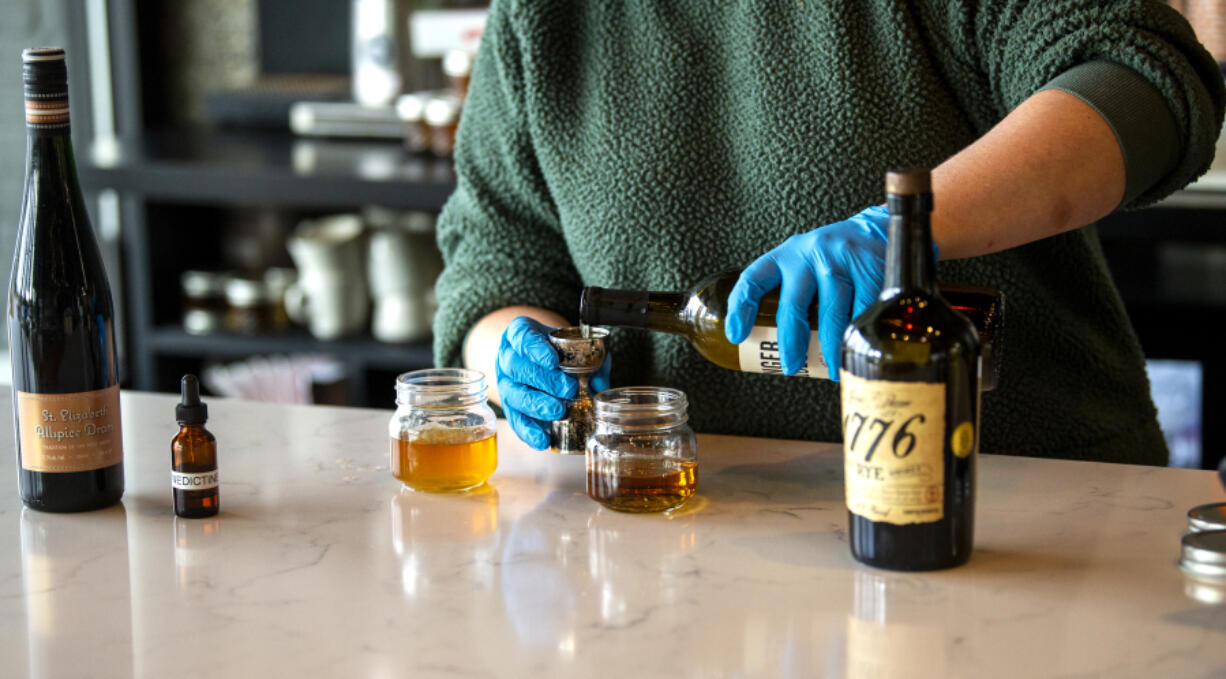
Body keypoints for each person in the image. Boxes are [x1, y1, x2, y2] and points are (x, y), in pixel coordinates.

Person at [432, 0, 1225, 464]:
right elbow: (498, 266)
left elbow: (1147, 82)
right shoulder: (540, 19)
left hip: (1027, 513)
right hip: (690, 532)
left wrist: (911, 228)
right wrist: (515, 359)